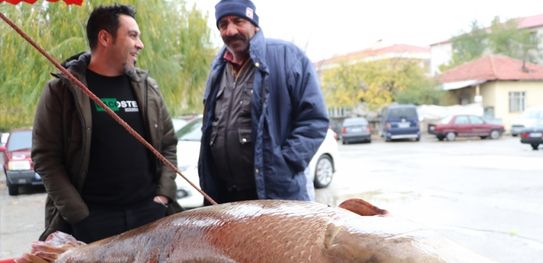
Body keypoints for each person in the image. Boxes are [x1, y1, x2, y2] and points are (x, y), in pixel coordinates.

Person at [32, 4, 179, 243]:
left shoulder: (147, 88)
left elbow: (168, 145)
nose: (140, 44)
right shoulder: (62, 90)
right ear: (105, 38)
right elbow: (45, 158)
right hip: (90, 222)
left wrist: (163, 196)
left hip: (149, 216)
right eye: (132, 35)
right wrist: (79, 215)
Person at [198, 0, 329, 204]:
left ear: (254, 24)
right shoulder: (218, 68)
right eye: (223, 24)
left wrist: (285, 164)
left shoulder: (287, 56)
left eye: (238, 21)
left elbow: (314, 120)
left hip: (274, 195)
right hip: (226, 199)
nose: (230, 30)